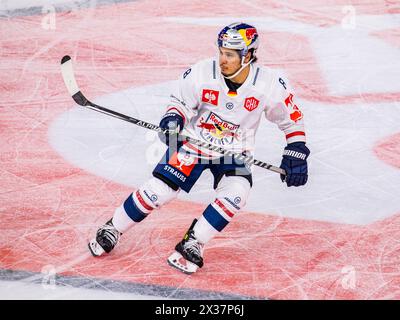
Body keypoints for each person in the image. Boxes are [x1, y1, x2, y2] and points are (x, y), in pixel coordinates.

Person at [88, 22, 310, 274]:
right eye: (221, 52)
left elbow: (291, 120)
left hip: (234, 152)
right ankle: (113, 228)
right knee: (161, 190)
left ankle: (193, 242)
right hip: (194, 142)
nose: (222, 60)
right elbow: (180, 103)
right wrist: (173, 121)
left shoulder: (269, 85)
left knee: (237, 192)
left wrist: (296, 150)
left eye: (229, 55)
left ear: (247, 56)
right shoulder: (203, 73)